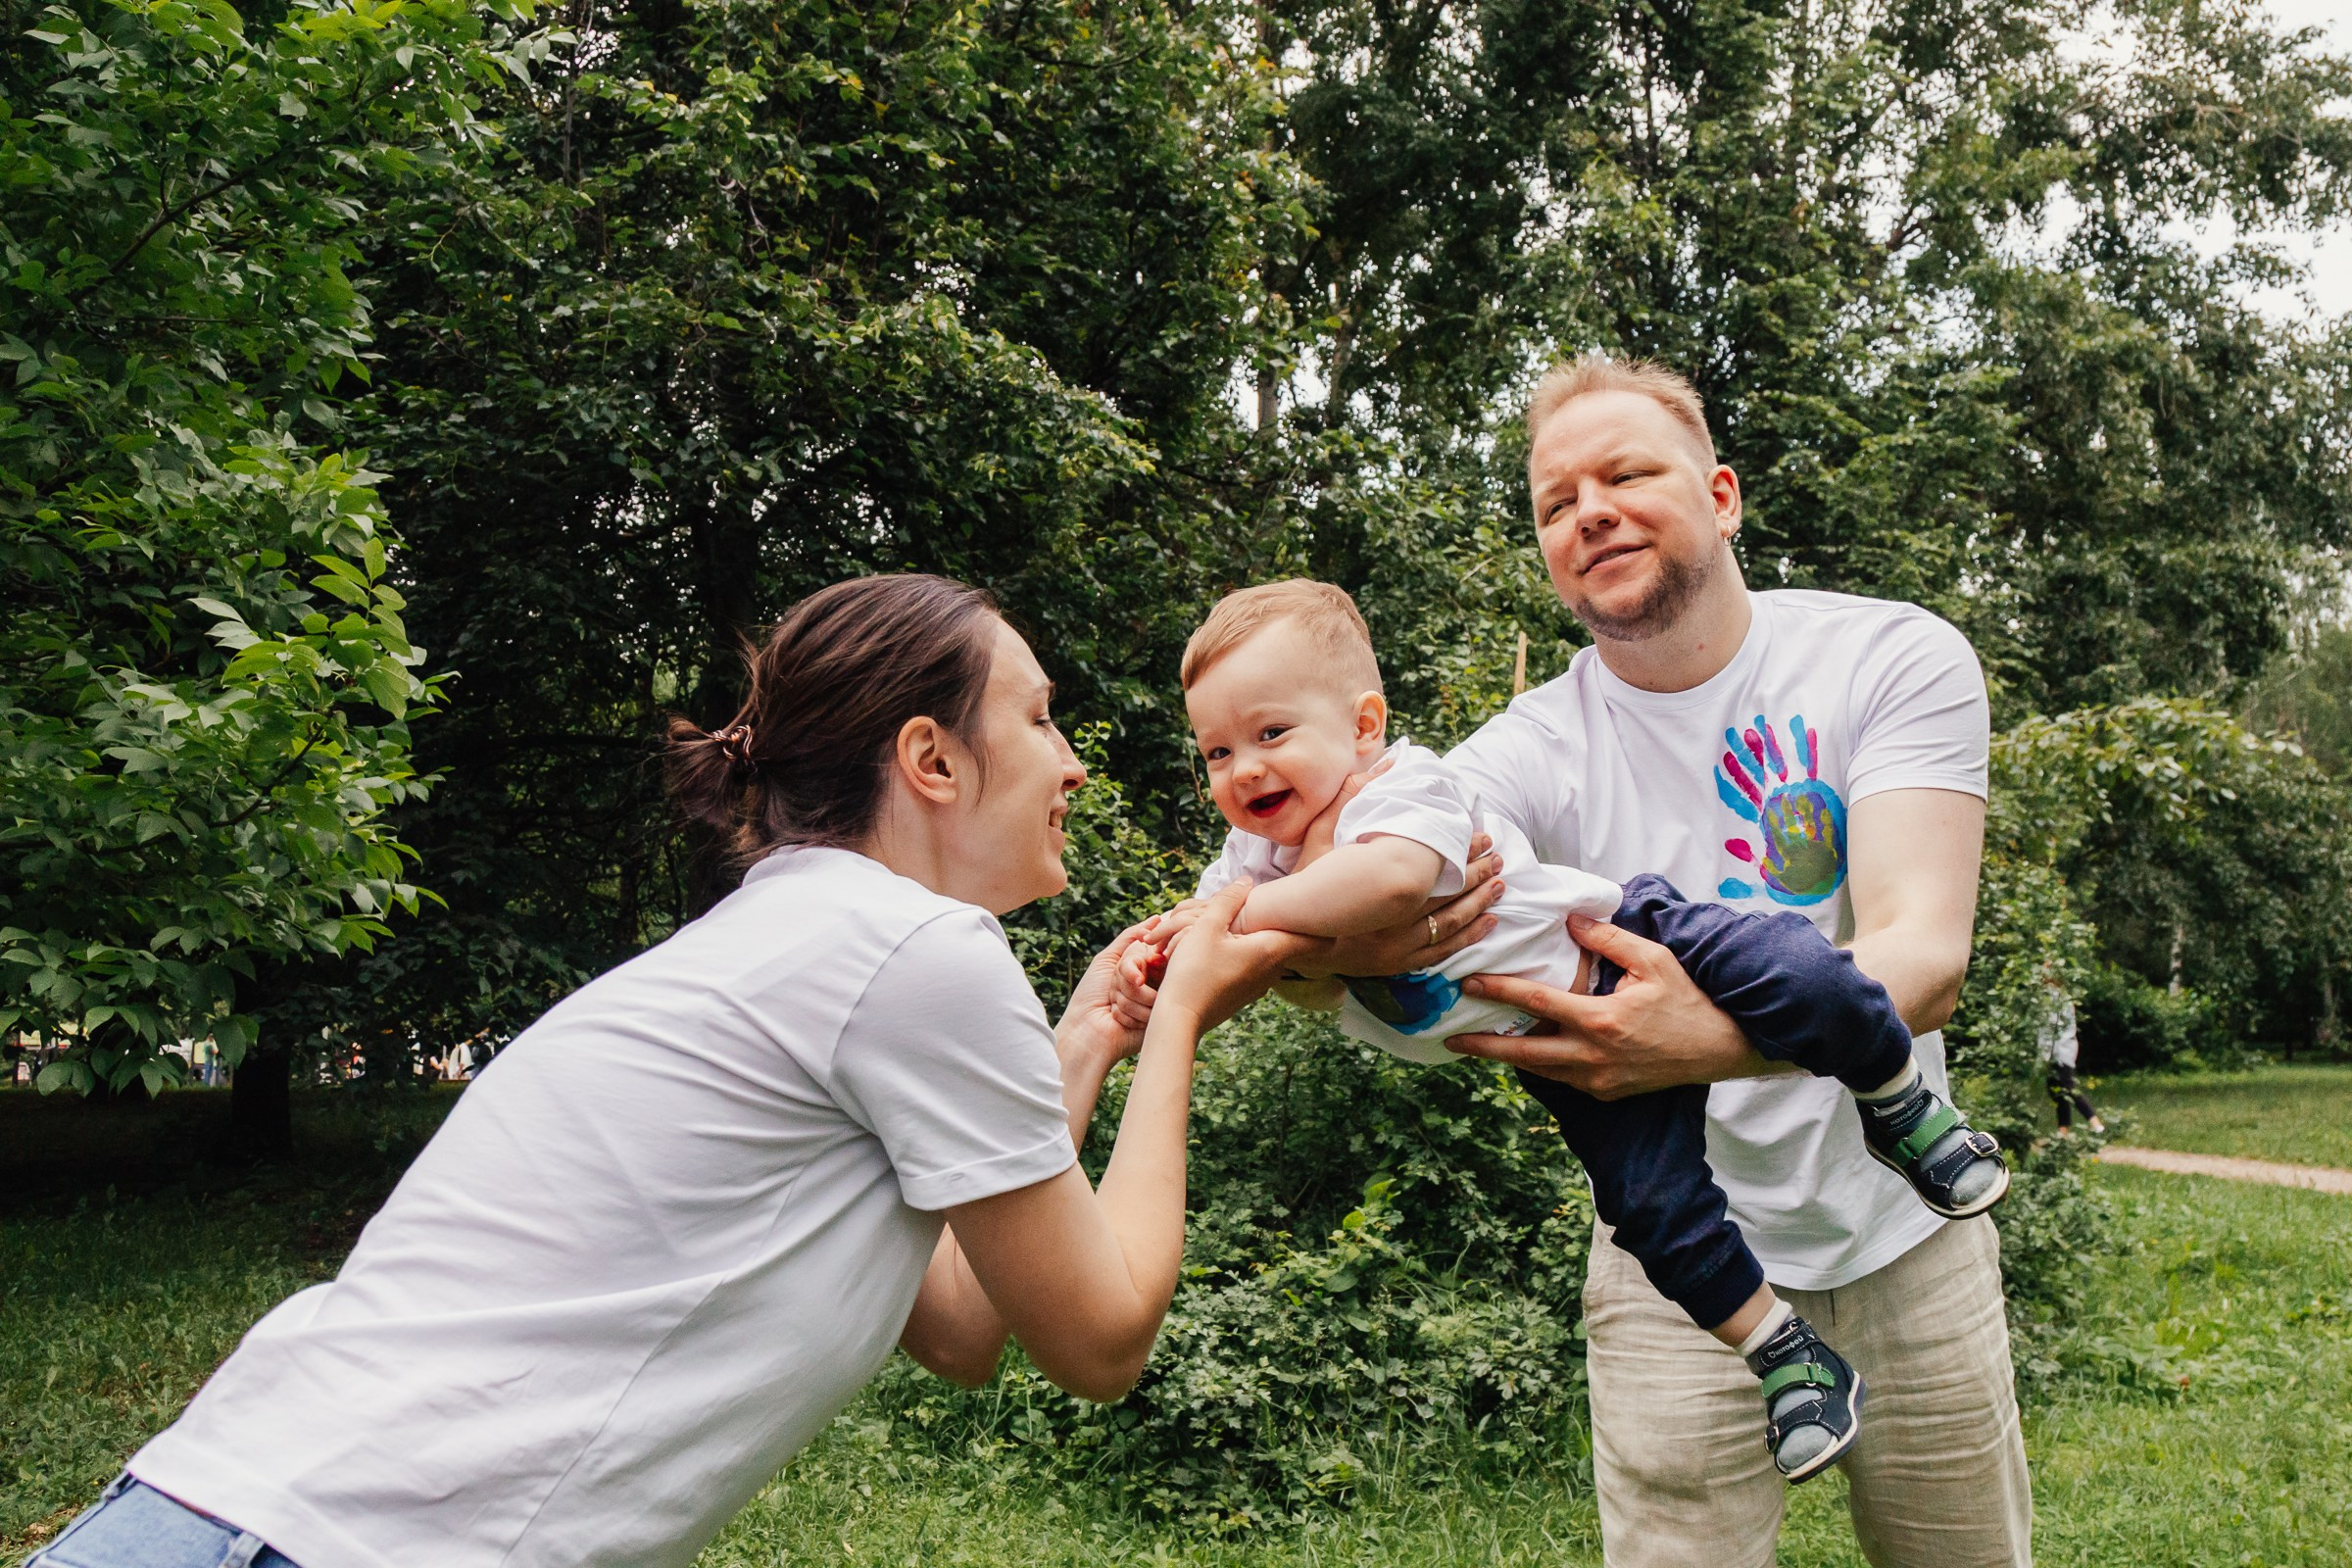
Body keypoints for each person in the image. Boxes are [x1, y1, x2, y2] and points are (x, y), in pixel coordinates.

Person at [27, 574, 1307, 1568]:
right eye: (1036, 716)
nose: (1072, 759)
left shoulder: (803, 944)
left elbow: (965, 1329)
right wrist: (1187, 1010)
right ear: (931, 760)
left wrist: (1088, 1033)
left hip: (223, 1511)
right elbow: (1099, 1339)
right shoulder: (913, 947)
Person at [1279, 358, 2029, 1566]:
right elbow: (1381, 907)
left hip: (1909, 1230)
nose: (1590, 511)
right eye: (1554, 501)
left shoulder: (1890, 658)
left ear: (1722, 496)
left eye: (1626, 473)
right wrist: (1296, 940)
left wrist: (1692, 1044)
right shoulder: (1518, 756)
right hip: (1675, 1271)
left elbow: (1923, 959)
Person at [1123, 579, 2007, 1482]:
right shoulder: (1249, 863)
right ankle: (1788, 1358)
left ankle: (1899, 1104)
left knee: (1803, 969)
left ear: (1362, 724)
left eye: (1272, 734)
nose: (1246, 770)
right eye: (1218, 752)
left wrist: (1241, 923)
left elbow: (1388, 883)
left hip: (1628, 937)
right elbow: (1217, 968)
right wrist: (1157, 964)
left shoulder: (1399, 789)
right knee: (1653, 1209)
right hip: (1564, 1044)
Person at [2041, 967, 2103, 1136]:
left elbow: (2052, 1027)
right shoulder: (2055, 996)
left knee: (2067, 1087)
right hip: (2058, 1051)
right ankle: (2063, 1131)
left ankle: (2095, 1123)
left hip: (2060, 1051)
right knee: (2057, 1091)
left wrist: (2046, 1053)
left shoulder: (2055, 997)